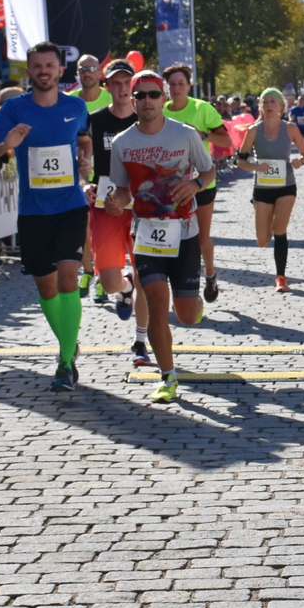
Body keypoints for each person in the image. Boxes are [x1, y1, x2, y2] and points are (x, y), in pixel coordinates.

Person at [0, 42, 92, 390]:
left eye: (49, 65)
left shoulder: (76, 106)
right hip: (33, 210)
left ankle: (65, 363)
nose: (43, 71)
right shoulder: (14, 108)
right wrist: (5, 145)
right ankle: (68, 341)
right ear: (29, 72)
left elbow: (84, 138)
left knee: (68, 279)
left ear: (60, 71)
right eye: (37, 66)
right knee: (46, 286)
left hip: (70, 206)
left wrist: (84, 159)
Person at [106, 70, 214, 403]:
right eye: (140, 95)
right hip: (146, 235)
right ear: (132, 100)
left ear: (164, 98)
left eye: (153, 94)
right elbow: (122, 189)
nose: (147, 101)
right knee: (155, 304)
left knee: (186, 315)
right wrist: (115, 202)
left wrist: (195, 184)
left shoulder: (185, 134)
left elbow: (208, 170)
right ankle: (168, 376)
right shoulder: (122, 143)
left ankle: (194, 306)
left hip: (184, 233)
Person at [162, 64, 232, 303]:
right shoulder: (162, 110)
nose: (176, 88)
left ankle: (210, 274)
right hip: (171, 184)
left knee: (202, 238)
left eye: (181, 84)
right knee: (174, 238)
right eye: (172, 84)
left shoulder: (202, 109)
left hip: (202, 182)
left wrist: (201, 134)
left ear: (189, 85)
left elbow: (226, 140)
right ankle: (180, 287)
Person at [87, 60, 146, 337]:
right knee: (109, 283)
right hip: (106, 206)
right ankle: (125, 287)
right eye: (116, 83)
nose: (122, 88)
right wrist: (84, 185)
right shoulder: (94, 120)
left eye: (127, 83)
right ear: (106, 86)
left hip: (143, 207)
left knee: (147, 276)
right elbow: (81, 159)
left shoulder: (147, 118)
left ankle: (142, 340)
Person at [237, 88, 304, 292]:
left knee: (279, 230)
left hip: (286, 186)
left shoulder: (290, 128)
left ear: (281, 106)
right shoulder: (254, 130)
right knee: (262, 240)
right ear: (261, 106)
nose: (269, 105)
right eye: (265, 102)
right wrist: (255, 166)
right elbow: (239, 160)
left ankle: (281, 278)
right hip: (263, 188)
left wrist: (300, 161)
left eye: (272, 101)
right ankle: (261, 211)